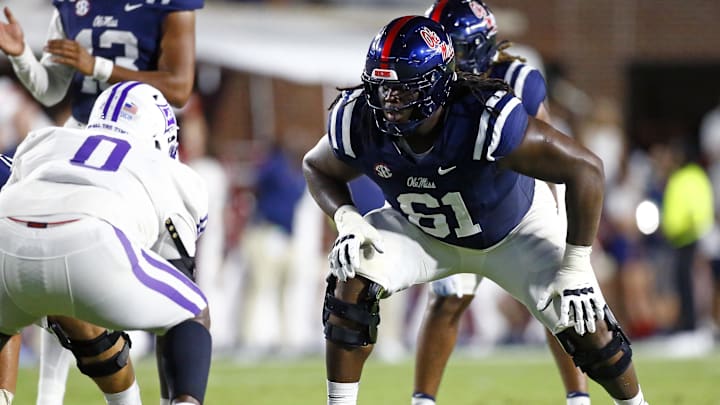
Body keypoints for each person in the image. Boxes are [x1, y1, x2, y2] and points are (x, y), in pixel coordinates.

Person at [302, 15, 649, 405]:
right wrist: (346, 218)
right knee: (351, 275)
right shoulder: (358, 118)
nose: (389, 100)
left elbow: (586, 169)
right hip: (421, 232)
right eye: (381, 87)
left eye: (402, 89)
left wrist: (576, 265)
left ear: (436, 84)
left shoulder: (483, 115)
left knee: (585, 322)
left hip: (514, 233)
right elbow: (316, 166)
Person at [0, 2, 203, 403]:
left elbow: (178, 87)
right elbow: (52, 88)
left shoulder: (38, 144)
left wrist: (99, 68)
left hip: (125, 141)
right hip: (91, 141)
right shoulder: (74, 6)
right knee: (186, 306)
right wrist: (23, 56)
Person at [415, 1, 590, 404]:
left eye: (450, 46)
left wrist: (556, 217)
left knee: (555, 298)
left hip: (519, 199)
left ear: (475, 46)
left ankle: (578, 397)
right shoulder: (430, 85)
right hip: (462, 199)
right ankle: (422, 399)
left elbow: (551, 152)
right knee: (448, 298)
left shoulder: (515, 77)